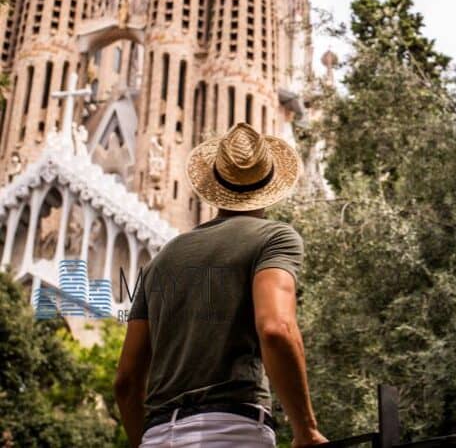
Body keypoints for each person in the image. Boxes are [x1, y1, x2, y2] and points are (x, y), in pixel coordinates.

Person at [114, 123, 328, 448]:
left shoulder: (161, 261)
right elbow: (276, 329)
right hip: (231, 430)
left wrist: (143, 440)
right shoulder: (274, 238)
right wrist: (306, 430)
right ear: (270, 184)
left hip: (157, 435)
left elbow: (126, 382)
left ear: (214, 184)